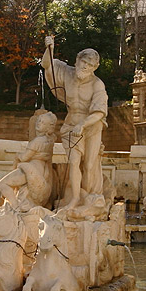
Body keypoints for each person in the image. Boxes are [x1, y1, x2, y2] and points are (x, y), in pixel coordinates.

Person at [41, 36, 107, 211]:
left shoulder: (97, 85)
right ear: (77, 60)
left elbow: (99, 113)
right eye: (83, 62)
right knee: (74, 162)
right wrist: (49, 48)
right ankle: (75, 199)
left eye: (90, 65)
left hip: (92, 126)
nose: (85, 67)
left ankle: (89, 199)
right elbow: (47, 65)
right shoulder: (67, 72)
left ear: (95, 68)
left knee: (89, 165)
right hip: (71, 124)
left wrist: (83, 125)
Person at [0, 111, 57, 210]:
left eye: (43, 122)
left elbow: (24, 157)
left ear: (48, 127)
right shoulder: (50, 139)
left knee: (2, 184)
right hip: (42, 170)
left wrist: (17, 155)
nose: (39, 123)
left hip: (31, 168)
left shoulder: (36, 142)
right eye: (39, 121)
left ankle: (15, 207)